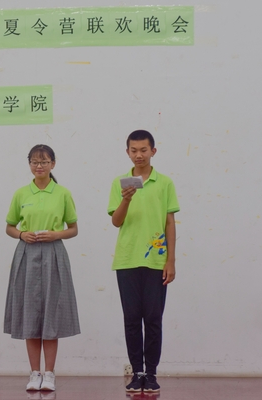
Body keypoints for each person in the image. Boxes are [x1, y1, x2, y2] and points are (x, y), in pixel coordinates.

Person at [108, 130, 180, 394]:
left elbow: (169, 223)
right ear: (127, 152)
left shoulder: (165, 183)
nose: (139, 155)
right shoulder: (119, 183)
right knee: (131, 319)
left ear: (153, 151)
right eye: (134, 150)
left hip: (156, 261)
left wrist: (171, 260)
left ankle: (151, 373)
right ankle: (136, 372)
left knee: (153, 319)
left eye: (143, 150)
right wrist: (126, 199)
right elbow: (116, 221)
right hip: (127, 260)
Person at [4, 144, 80, 392]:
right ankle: (34, 372)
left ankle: (49, 373)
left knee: (51, 311)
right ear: (29, 165)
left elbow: (73, 228)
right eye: (35, 162)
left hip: (53, 253)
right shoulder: (20, 194)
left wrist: (56, 234)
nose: (39, 166)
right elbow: (10, 226)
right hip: (27, 254)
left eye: (44, 162)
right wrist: (21, 234)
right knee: (30, 312)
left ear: (53, 164)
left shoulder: (62, 193)